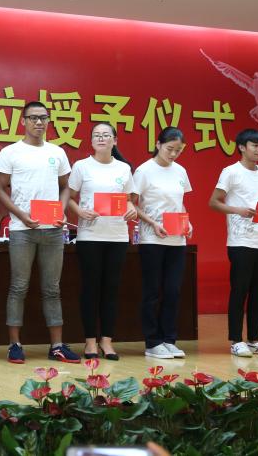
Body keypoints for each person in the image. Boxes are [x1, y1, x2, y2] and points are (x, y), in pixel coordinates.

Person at [0, 100, 79, 364]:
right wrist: (21, 215)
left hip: (52, 230)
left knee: (52, 288)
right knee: (18, 286)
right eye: (33, 118)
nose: (39, 122)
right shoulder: (10, 152)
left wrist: (61, 210)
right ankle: (14, 345)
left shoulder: (57, 152)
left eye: (43, 118)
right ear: (23, 121)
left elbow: (66, 187)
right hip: (22, 229)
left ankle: (57, 346)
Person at [209, 128, 258, 357]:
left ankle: (255, 340)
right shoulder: (231, 172)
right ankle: (235, 340)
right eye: (254, 145)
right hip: (240, 241)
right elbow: (214, 202)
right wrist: (237, 210)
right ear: (241, 147)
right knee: (240, 291)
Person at [67, 123, 137, 361]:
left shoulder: (124, 168)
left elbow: (129, 199)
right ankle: (89, 341)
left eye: (106, 135)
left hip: (117, 236)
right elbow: (69, 197)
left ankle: (107, 340)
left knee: (111, 289)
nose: (101, 138)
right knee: (90, 288)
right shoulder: (82, 166)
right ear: (91, 141)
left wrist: (131, 208)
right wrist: (80, 211)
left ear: (114, 141)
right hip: (90, 236)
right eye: (96, 135)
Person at [132, 127, 193, 360]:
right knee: (152, 291)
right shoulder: (144, 171)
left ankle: (169, 339)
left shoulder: (180, 171)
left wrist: (188, 222)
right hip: (152, 239)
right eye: (169, 149)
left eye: (178, 150)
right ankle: (152, 341)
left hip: (177, 239)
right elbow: (133, 204)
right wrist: (152, 223)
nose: (173, 154)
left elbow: (180, 203)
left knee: (173, 291)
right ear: (158, 145)